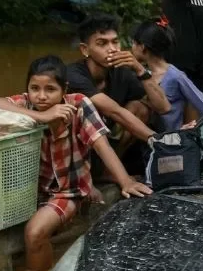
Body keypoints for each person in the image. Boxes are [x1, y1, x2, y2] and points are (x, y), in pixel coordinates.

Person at [0, 56, 151, 270]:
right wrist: (39, 116)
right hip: (30, 192)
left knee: (34, 233)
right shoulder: (26, 104)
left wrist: (125, 181)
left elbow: (101, 145)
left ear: (64, 90)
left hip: (68, 191)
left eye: (50, 89)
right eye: (35, 88)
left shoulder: (79, 104)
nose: (41, 96)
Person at [67, 14, 170, 174]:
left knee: (140, 108)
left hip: (109, 143)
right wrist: (161, 141)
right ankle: (105, 174)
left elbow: (163, 107)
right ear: (85, 49)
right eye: (102, 43)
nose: (113, 49)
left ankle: (109, 172)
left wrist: (140, 70)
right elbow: (115, 111)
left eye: (115, 42)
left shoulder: (121, 71)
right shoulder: (74, 75)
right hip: (78, 148)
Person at [130, 17, 203, 131]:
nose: (131, 47)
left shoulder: (176, 76)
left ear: (142, 46)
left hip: (172, 140)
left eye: (133, 43)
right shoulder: (140, 73)